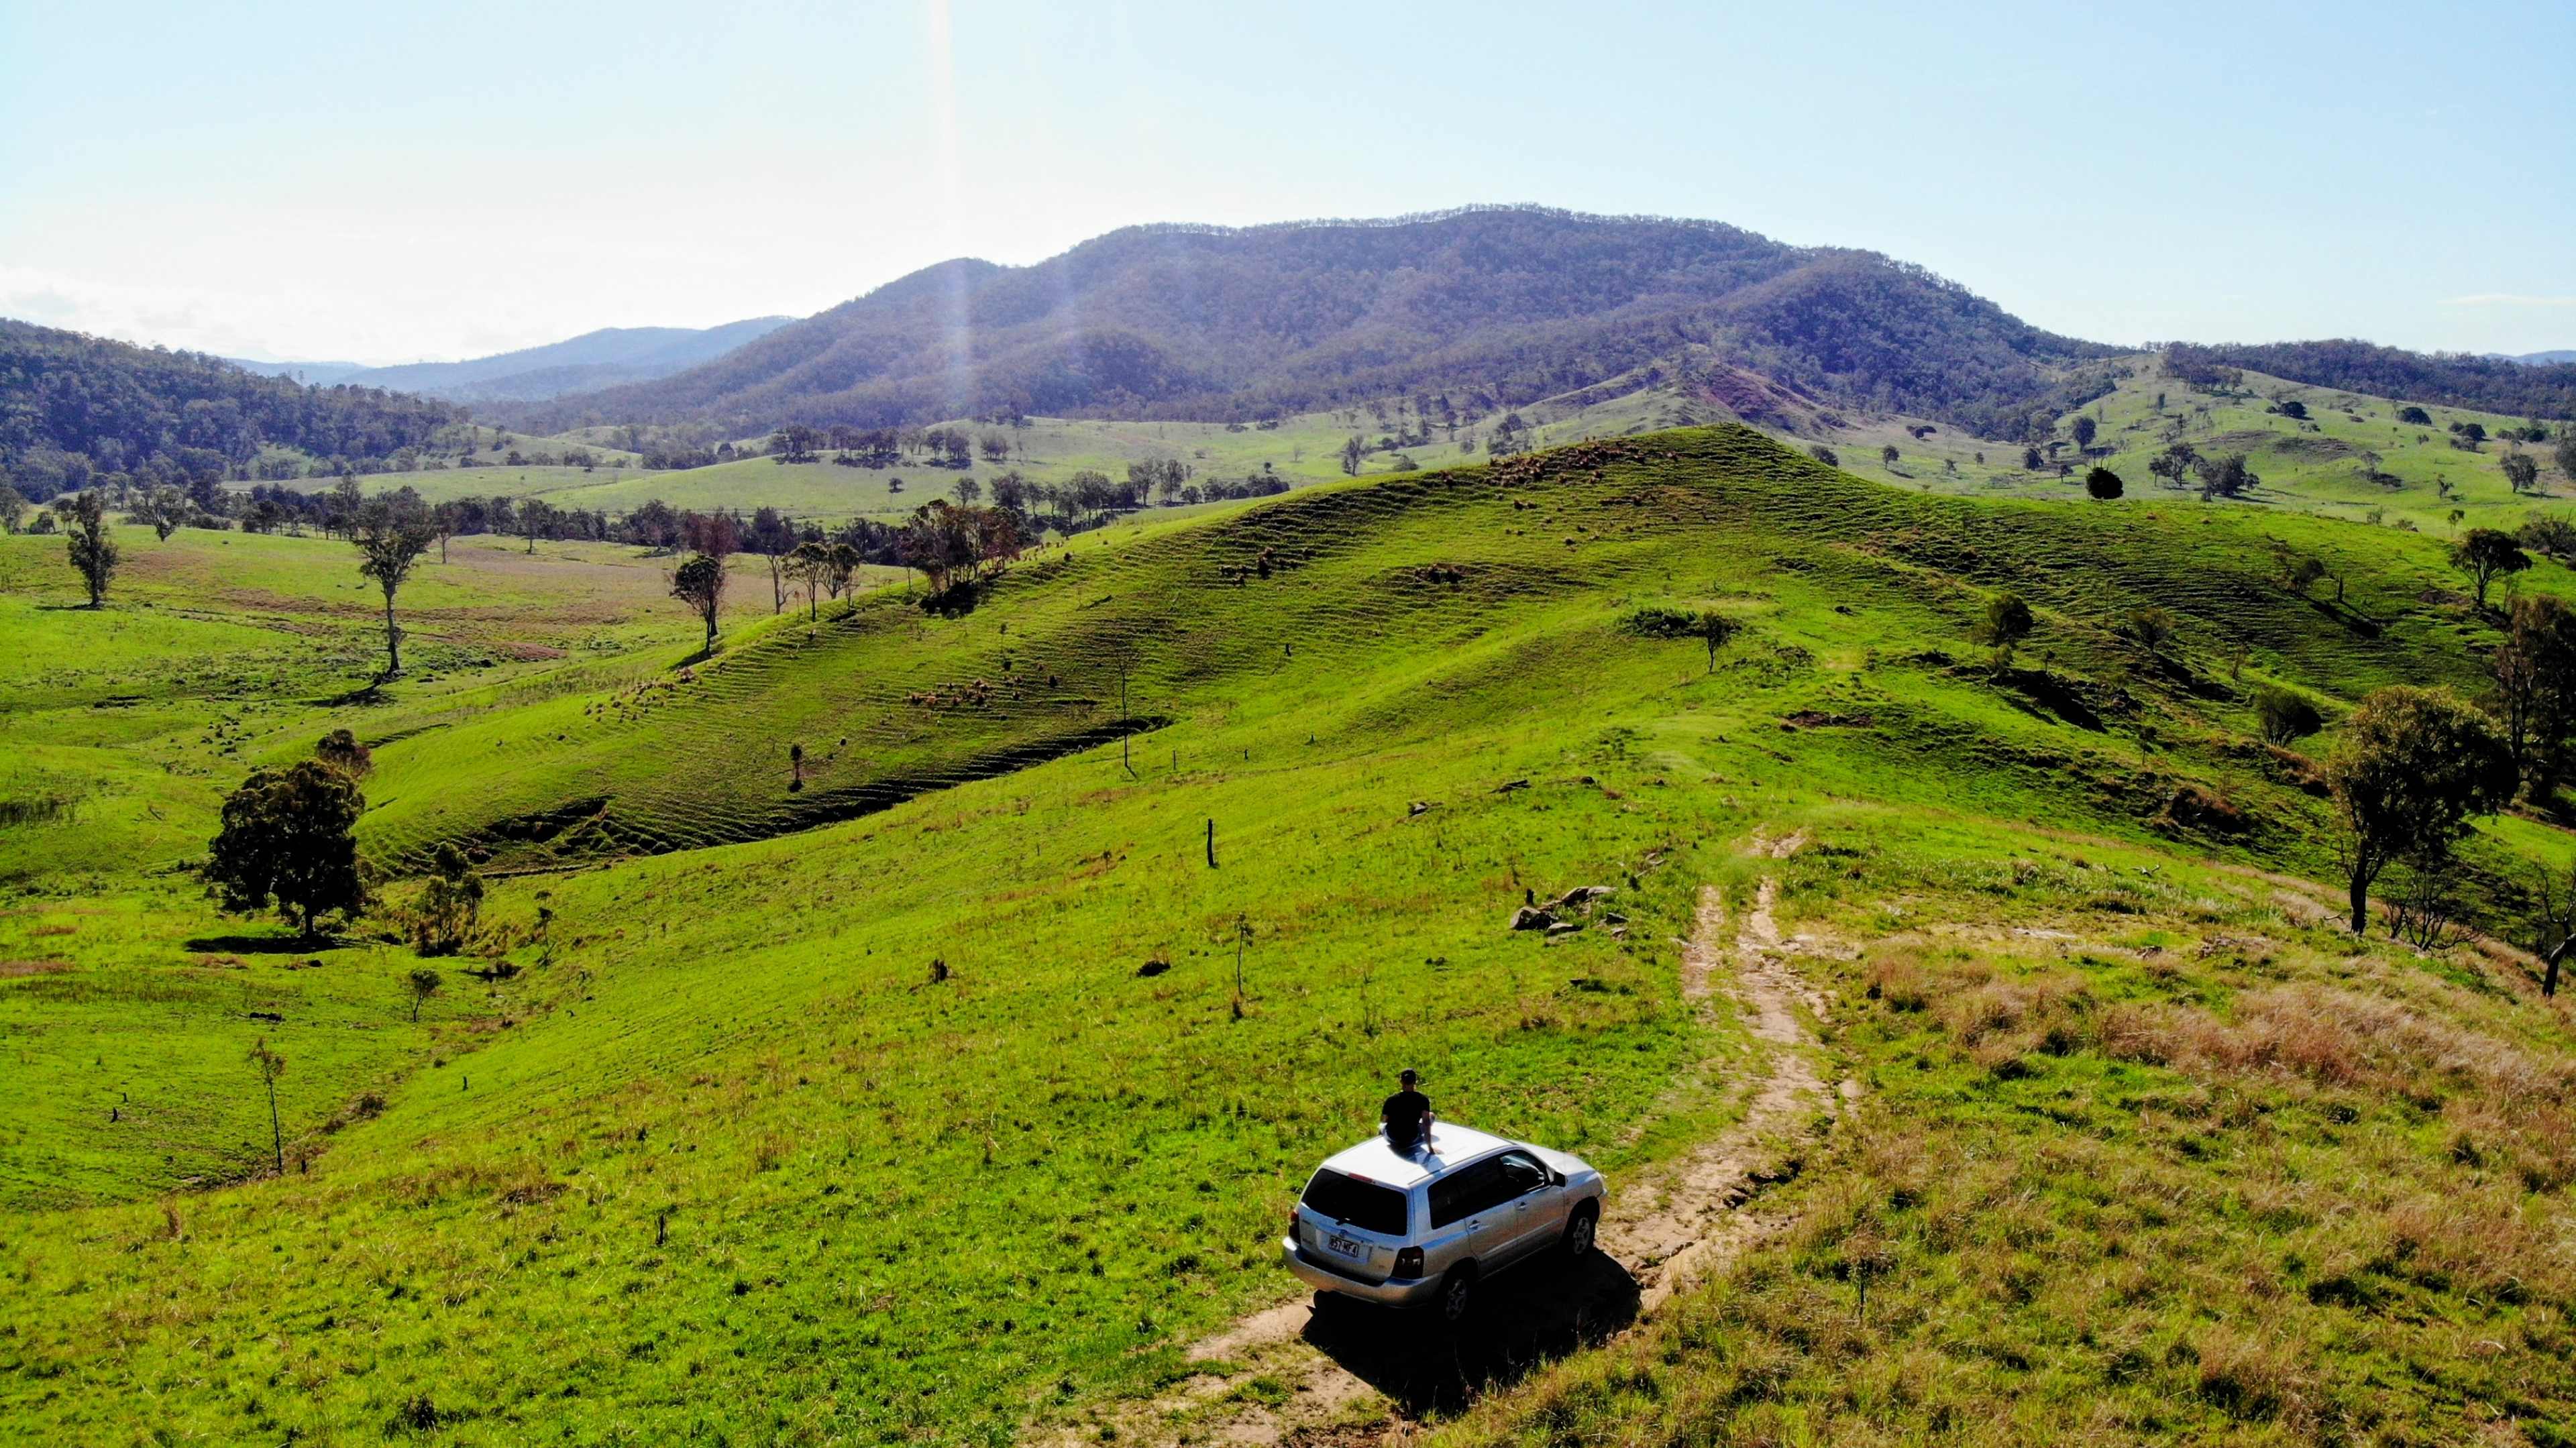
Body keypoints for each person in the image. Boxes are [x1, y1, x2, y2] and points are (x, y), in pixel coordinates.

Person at [1381, 1068, 1433, 1154]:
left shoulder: (1391, 1100)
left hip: (1392, 1137)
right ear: (1415, 1082)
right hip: (1412, 1138)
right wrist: (1430, 1148)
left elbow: (1384, 1120)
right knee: (1431, 1116)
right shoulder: (1423, 1100)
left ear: (1401, 1081)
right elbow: (1426, 1123)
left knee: (1381, 1126)